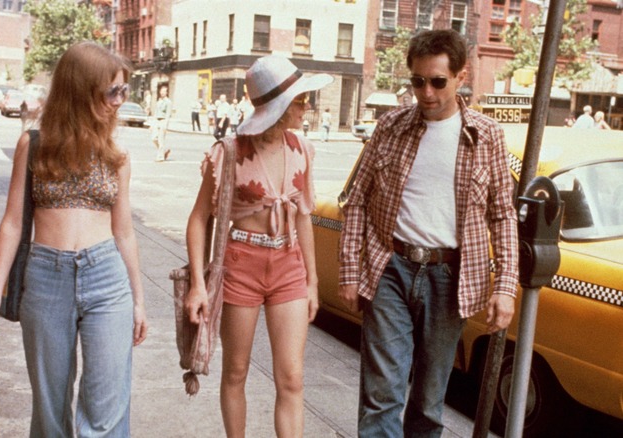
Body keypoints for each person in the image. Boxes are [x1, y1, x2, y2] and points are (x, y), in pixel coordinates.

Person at [337, 29, 518, 437]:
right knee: (381, 397)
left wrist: (505, 287)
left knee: (429, 402)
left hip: (449, 279)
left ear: (460, 76)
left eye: (438, 81)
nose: (427, 92)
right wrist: (350, 270)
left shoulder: (486, 136)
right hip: (391, 270)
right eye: (417, 81)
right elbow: (357, 201)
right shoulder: (391, 127)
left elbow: (502, 215)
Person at [0, 42, 148, 437]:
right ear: (80, 90)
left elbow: (124, 231)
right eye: (112, 91)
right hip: (46, 278)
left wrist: (138, 300)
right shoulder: (33, 146)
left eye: (124, 91)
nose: (119, 101)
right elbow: (13, 224)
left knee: (106, 410)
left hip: (107, 277)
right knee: (50, 409)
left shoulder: (117, 156)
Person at [184, 55, 332, 437]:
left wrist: (312, 281)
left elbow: (303, 216)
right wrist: (199, 286)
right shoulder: (230, 152)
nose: (306, 107)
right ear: (278, 108)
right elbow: (199, 218)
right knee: (236, 371)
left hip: (288, 265)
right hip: (240, 265)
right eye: (300, 101)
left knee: (293, 377)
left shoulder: (302, 149)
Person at [152, 84, 171, 161]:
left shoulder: (168, 102)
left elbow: (168, 114)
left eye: (164, 91)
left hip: (163, 121)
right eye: (161, 91)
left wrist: (166, 124)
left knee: (161, 139)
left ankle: (160, 157)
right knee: (153, 138)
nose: (162, 93)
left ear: (166, 93)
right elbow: (155, 113)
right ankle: (164, 151)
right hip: (157, 121)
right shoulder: (159, 101)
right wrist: (152, 124)